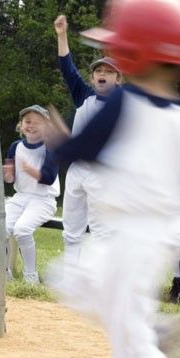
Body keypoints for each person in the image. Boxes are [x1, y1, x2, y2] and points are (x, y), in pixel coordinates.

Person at [44, 1, 180, 358]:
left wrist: (59, 142)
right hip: (146, 236)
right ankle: (152, 329)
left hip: (135, 236)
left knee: (132, 352)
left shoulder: (125, 102)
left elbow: (87, 147)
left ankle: (148, 340)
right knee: (73, 280)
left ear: (135, 52)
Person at [53, 15, 122, 263]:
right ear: (93, 79)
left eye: (109, 72)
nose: (102, 74)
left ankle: (100, 274)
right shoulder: (84, 96)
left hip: (102, 173)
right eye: (98, 71)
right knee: (71, 224)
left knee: (102, 228)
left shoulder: (122, 102)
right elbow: (67, 69)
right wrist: (62, 35)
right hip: (77, 170)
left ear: (118, 79)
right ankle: (72, 269)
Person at [3, 105, 60, 284]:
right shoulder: (15, 146)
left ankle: (31, 276)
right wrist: (7, 174)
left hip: (43, 199)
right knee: (0, 229)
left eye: (38, 123)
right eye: (28, 121)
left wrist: (29, 169)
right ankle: (4, 273)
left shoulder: (50, 148)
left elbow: (48, 178)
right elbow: (10, 180)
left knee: (22, 230)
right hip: (20, 197)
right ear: (21, 125)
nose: (31, 125)